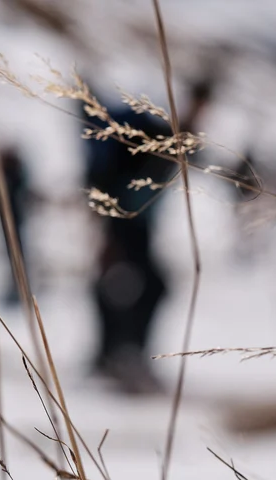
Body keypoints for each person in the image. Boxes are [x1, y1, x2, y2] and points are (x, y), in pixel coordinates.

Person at [83, 79, 213, 394]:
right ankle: (124, 356)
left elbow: (194, 156)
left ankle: (112, 355)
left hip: (133, 222)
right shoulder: (157, 133)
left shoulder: (172, 135)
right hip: (125, 221)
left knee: (119, 284)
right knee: (148, 285)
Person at [0, 146, 34, 307]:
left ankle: (20, 289)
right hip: (9, 223)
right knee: (13, 256)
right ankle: (17, 287)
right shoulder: (12, 177)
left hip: (15, 222)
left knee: (17, 256)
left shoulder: (14, 178)